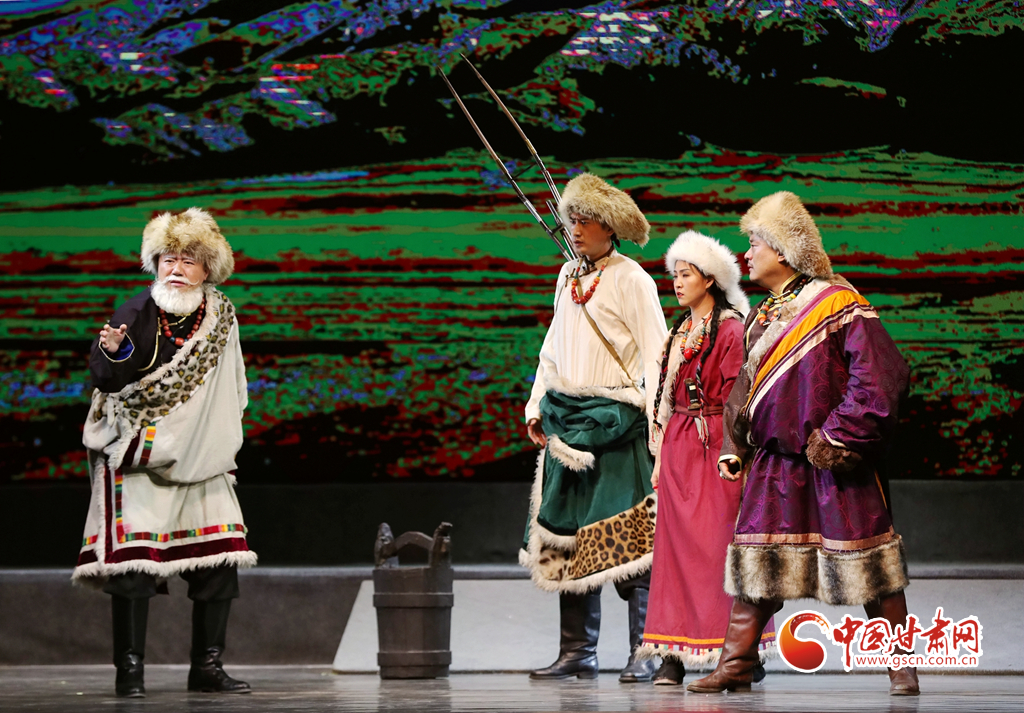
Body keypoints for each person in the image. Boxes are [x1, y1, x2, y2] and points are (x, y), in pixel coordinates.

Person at [686, 191, 919, 696]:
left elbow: (881, 377)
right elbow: (746, 388)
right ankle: (736, 663)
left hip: (834, 461)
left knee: (871, 566)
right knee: (758, 566)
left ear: (784, 249)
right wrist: (736, 445)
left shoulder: (837, 303)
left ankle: (902, 667)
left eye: (755, 243)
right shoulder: (761, 315)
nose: (746, 253)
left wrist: (838, 438)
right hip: (776, 464)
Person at [72, 208, 256, 698]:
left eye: (188, 261)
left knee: (218, 564)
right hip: (142, 458)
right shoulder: (134, 312)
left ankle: (207, 668)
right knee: (134, 571)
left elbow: (234, 384)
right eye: (168, 259)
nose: (176, 269)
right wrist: (114, 352)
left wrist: (218, 439)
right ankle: (130, 673)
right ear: (155, 264)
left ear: (207, 270)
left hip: (204, 458)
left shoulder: (222, 316)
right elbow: (108, 380)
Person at [521, 173, 668, 682]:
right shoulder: (567, 276)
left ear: (610, 227)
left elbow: (657, 353)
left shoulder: (632, 279)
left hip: (619, 422)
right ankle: (577, 652)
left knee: (631, 541)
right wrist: (536, 406)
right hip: (569, 421)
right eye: (573, 220)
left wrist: (658, 424)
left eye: (586, 221)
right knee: (568, 538)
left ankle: (646, 651)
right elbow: (552, 347)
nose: (576, 230)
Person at [634, 231, 775, 685]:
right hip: (679, 446)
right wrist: (661, 454)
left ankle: (739, 654)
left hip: (716, 445)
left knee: (719, 549)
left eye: (686, 274)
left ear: (710, 279)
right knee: (673, 553)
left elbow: (740, 397)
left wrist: (736, 451)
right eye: (675, 275)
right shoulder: (679, 331)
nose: (677, 282)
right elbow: (666, 398)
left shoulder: (731, 329)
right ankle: (672, 654)